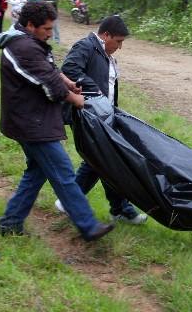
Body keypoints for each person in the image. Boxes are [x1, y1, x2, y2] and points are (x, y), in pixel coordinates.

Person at [0, 1, 114, 242]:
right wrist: (75, 98)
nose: (50, 34)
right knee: (63, 172)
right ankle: (88, 226)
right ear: (30, 25)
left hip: (28, 120)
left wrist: (66, 80)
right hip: (32, 123)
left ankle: (10, 222)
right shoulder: (23, 48)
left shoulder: (25, 41)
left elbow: (47, 70)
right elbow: (48, 85)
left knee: (36, 173)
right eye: (47, 29)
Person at [54, 15, 148, 225]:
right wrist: (93, 89)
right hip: (89, 116)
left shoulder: (103, 52)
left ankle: (118, 208)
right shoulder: (85, 46)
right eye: (119, 41)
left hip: (104, 115)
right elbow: (69, 70)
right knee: (101, 160)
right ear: (106, 35)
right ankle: (75, 202)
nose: (120, 46)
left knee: (105, 160)